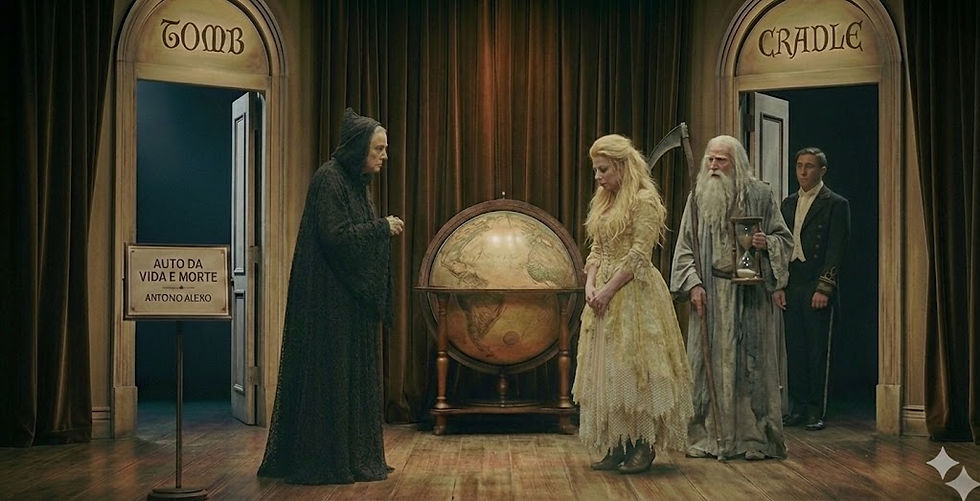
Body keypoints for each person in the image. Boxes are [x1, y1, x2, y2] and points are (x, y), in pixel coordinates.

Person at [257, 108, 404, 484]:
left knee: (350, 376)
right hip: (328, 298)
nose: (384, 156)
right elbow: (335, 236)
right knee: (331, 375)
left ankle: (353, 456)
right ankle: (326, 459)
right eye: (379, 149)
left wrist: (377, 228)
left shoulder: (356, 183)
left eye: (384, 149)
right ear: (359, 148)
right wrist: (381, 228)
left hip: (349, 297)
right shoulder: (330, 179)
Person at [572, 134, 694, 474]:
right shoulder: (604, 201)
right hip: (602, 295)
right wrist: (590, 285)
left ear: (622, 167)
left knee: (635, 367)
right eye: (596, 170)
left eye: (604, 170)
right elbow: (597, 248)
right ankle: (618, 443)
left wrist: (608, 290)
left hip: (634, 294)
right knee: (608, 369)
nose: (598, 177)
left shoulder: (643, 200)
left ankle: (643, 444)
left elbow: (640, 255)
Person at [669, 135, 792, 460]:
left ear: (736, 163)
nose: (713, 166)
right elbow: (685, 246)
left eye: (720, 160)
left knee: (750, 367)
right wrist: (693, 284)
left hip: (749, 297)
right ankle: (709, 438)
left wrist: (767, 244)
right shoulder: (698, 197)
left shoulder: (760, 195)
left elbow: (784, 239)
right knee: (708, 366)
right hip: (710, 293)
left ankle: (755, 439)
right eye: (709, 159)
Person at [775, 147, 850, 432]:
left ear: (822, 171)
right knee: (795, 349)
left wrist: (824, 288)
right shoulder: (788, 203)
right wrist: (779, 285)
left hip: (816, 282)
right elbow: (781, 246)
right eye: (799, 166)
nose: (803, 171)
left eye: (809, 166)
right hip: (793, 281)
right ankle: (797, 407)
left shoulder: (835, 203)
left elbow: (836, 249)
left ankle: (816, 410)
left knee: (817, 350)